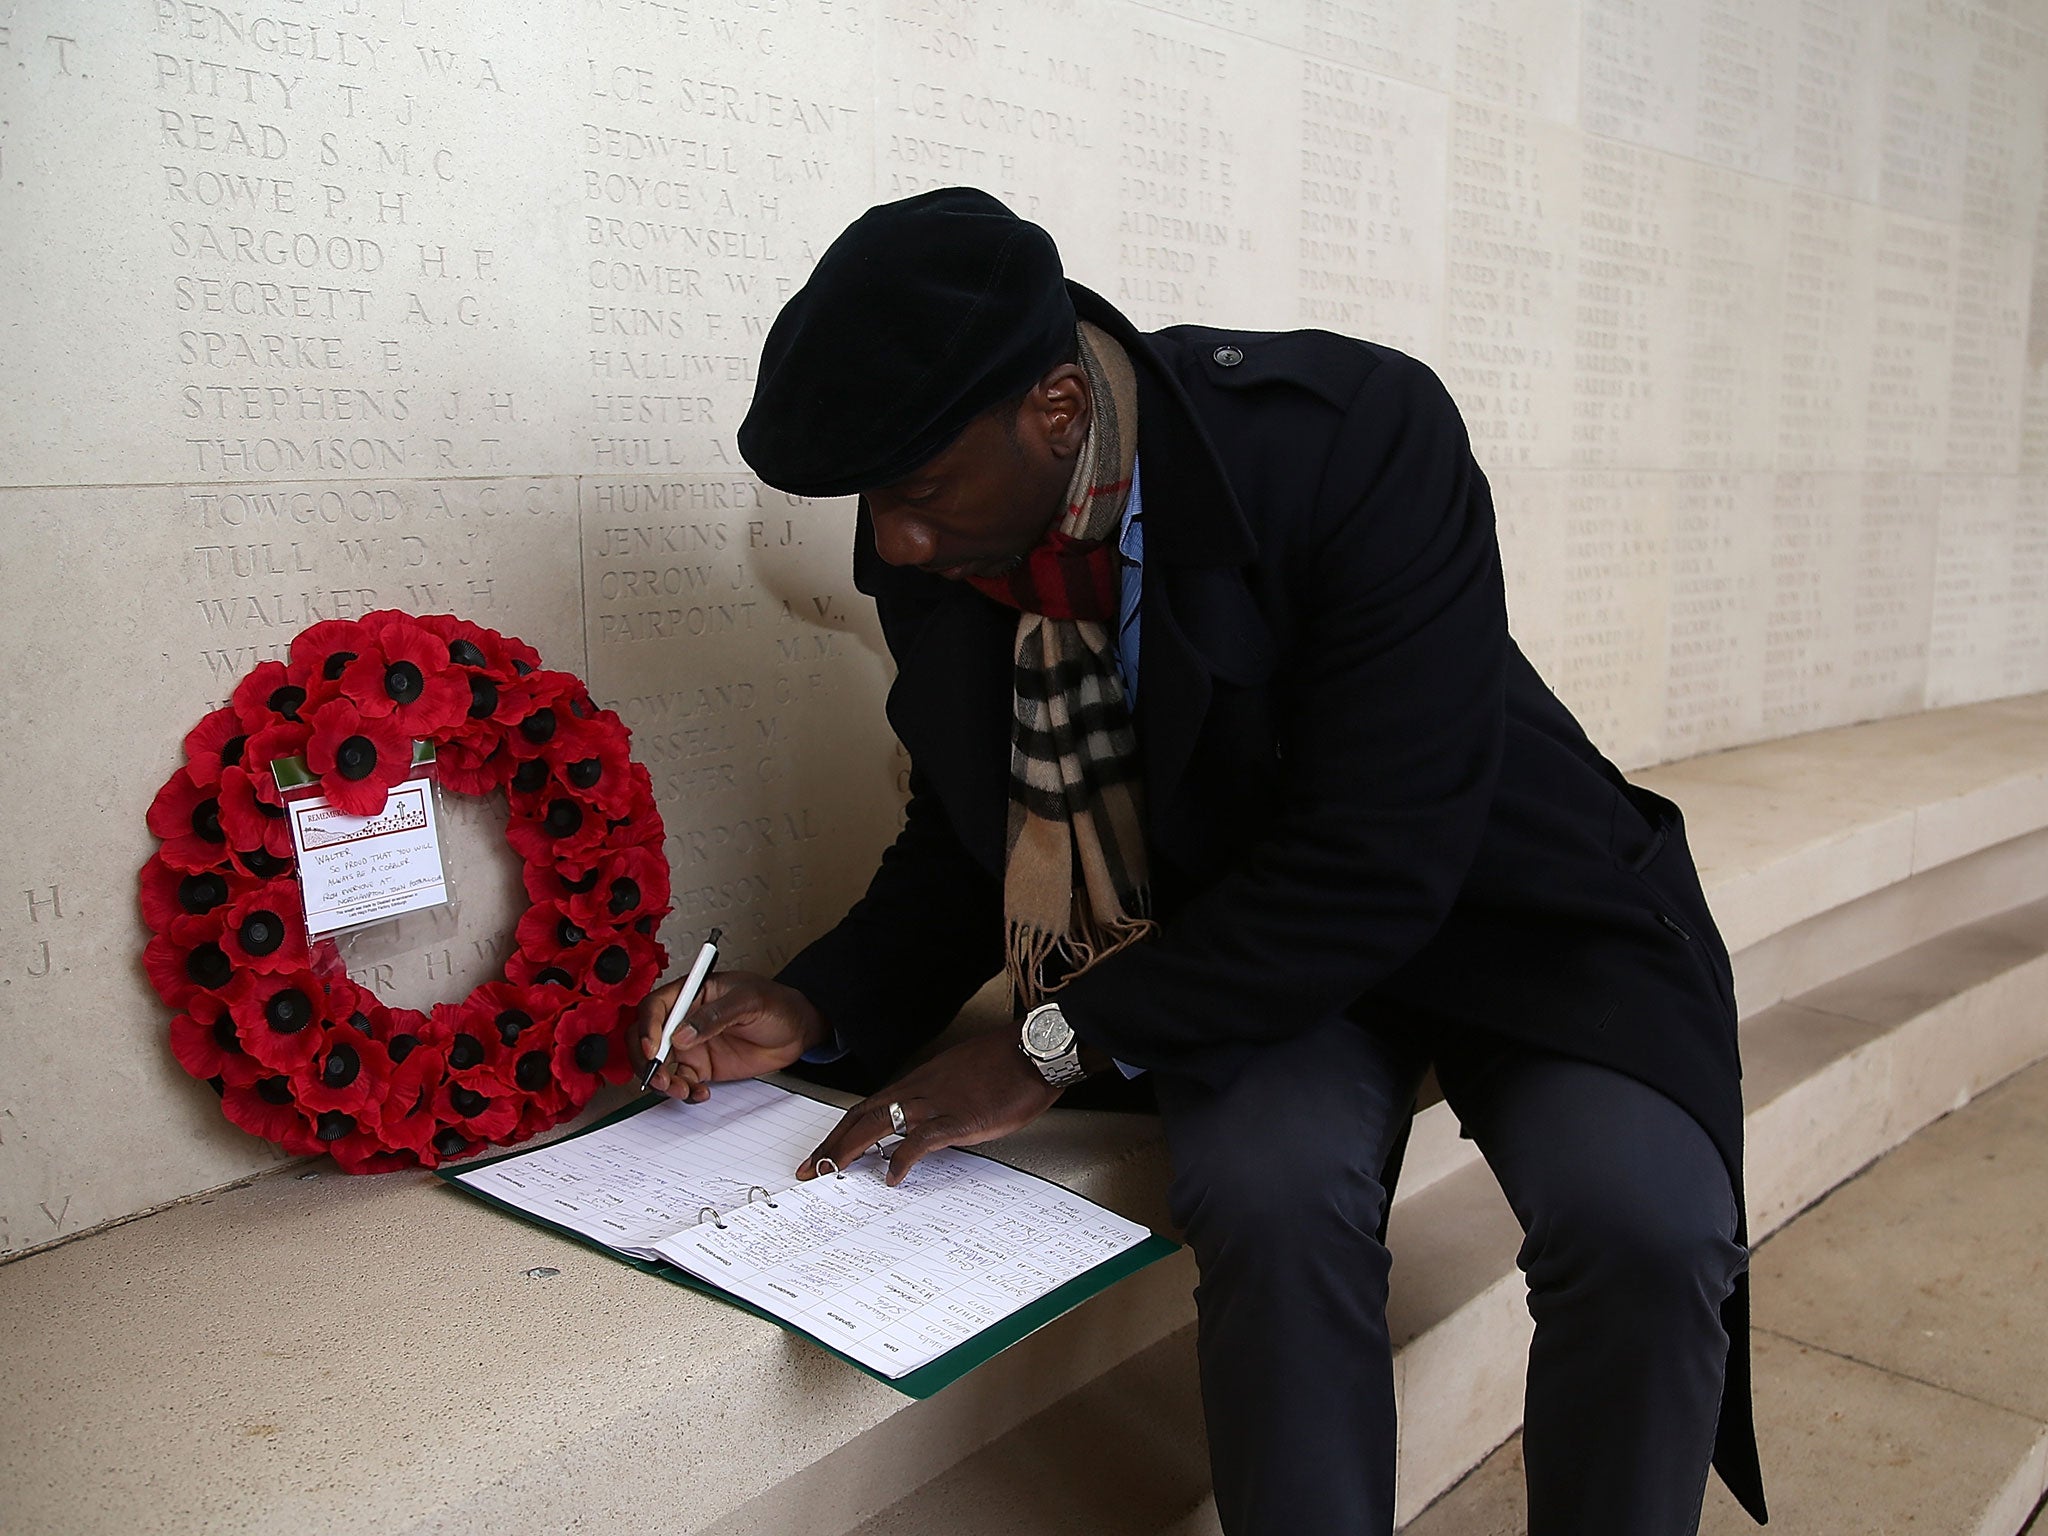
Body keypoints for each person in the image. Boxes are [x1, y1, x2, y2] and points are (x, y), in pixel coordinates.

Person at [629, 187, 1766, 1536]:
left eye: (918, 490)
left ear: (1058, 410)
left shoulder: (1355, 438)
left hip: (1503, 904)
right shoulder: (953, 533)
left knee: (1646, 1225)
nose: (892, 542)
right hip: (1237, 953)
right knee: (1269, 1199)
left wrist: (1046, 1043)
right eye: (878, 499)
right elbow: (971, 832)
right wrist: (817, 1002)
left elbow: (1382, 852)